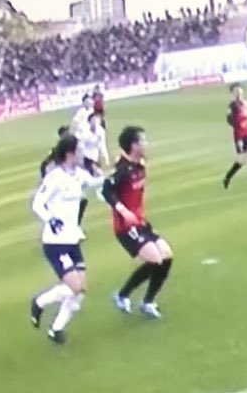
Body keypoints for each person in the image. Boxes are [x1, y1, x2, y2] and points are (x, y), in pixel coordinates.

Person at [27, 135, 99, 345]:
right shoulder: (55, 177)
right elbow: (37, 203)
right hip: (56, 243)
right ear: (70, 154)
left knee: (79, 292)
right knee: (75, 287)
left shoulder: (79, 174)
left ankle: (56, 329)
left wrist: (111, 177)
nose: (82, 154)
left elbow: (94, 183)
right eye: (79, 150)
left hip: (72, 240)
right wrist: (50, 219)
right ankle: (39, 302)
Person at [106, 126, 173, 319]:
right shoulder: (122, 169)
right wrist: (123, 211)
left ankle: (147, 302)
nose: (146, 144)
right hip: (125, 227)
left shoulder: (139, 165)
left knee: (167, 256)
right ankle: (122, 295)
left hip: (141, 222)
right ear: (134, 146)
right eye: (143, 141)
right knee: (155, 260)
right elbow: (106, 190)